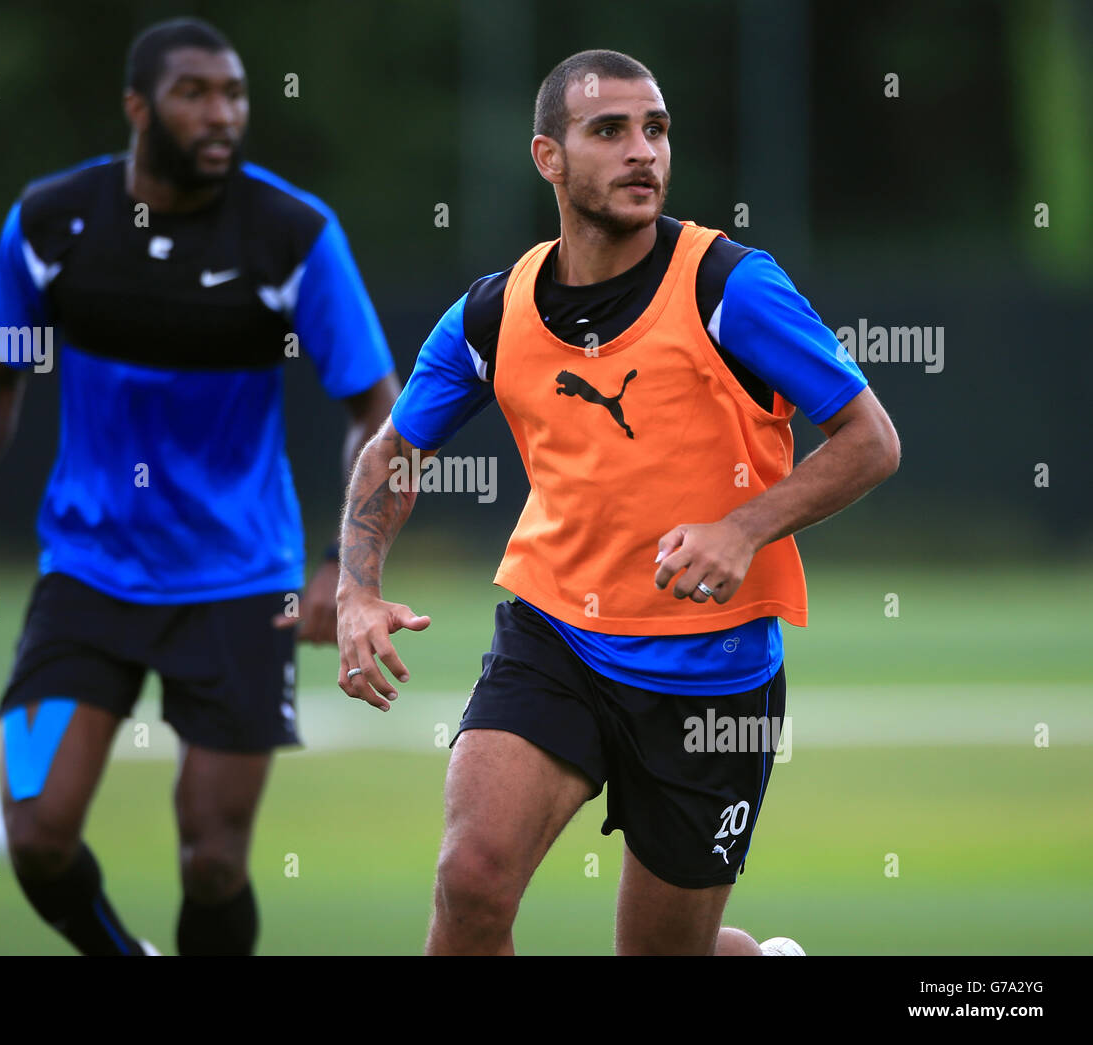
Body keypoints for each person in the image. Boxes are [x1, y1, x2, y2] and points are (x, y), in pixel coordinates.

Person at [335, 49, 899, 955]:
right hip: (555, 636)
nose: (643, 152)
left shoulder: (731, 287)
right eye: (610, 131)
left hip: (713, 678)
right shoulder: (492, 313)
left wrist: (742, 528)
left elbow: (873, 440)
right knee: (469, 883)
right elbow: (394, 450)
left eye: (657, 130)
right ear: (547, 158)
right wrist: (357, 587)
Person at [0, 17, 397, 955]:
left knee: (213, 860)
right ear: (138, 108)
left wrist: (349, 561)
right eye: (195, 94)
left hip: (243, 582)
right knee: (36, 831)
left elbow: (380, 410)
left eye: (237, 94)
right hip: (84, 577)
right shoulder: (50, 222)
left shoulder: (293, 234)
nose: (223, 114)